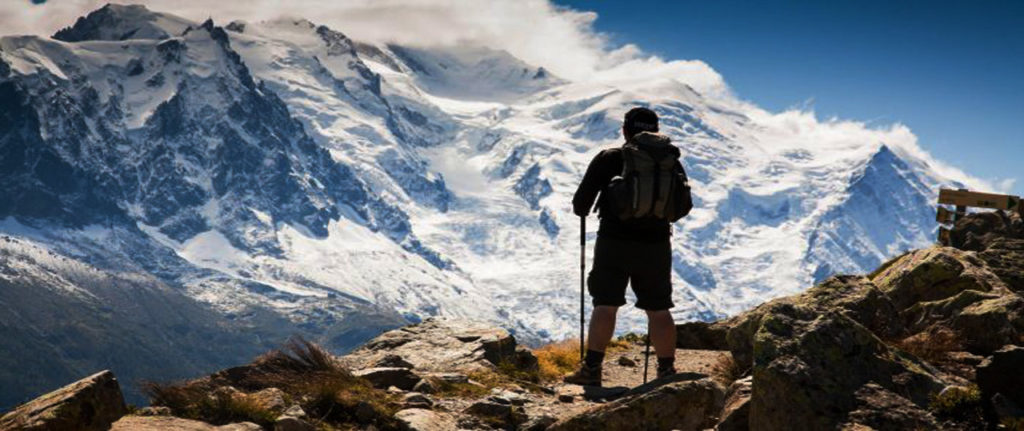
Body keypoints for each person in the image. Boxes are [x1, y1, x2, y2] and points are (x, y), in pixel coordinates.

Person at [564, 107, 686, 386]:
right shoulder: (671, 161)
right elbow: (680, 205)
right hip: (656, 245)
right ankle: (667, 371)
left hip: (613, 243)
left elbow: (580, 204)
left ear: (624, 130)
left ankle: (592, 369)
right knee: (658, 308)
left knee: (606, 304)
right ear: (657, 130)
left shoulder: (611, 158)